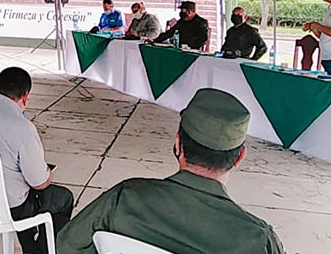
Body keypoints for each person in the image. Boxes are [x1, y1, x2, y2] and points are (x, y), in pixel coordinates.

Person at [57, 88, 284, 254]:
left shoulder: (124, 198)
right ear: (239, 158)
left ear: (178, 144)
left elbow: (67, 245)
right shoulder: (259, 240)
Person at [0, 67, 74, 254]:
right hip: (6, 209)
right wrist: (48, 175)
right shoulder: (23, 128)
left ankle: (30, 247)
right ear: (25, 96)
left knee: (20, 189)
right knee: (61, 198)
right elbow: (39, 183)